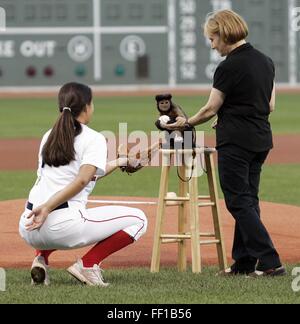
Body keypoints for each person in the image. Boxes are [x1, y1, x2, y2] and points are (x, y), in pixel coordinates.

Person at [165, 10, 286, 277]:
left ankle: (270, 260)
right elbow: (270, 105)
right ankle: (244, 263)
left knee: (238, 201)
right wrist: (234, 113)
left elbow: (210, 108)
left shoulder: (228, 66)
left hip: (236, 141)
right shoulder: (266, 61)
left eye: (212, 38)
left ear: (223, 33)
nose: (211, 44)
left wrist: (186, 123)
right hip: (261, 139)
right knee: (249, 200)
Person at [19, 82, 148, 286]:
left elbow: (85, 175)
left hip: (28, 226)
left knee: (55, 222)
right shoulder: (93, 138)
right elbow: (81, 180)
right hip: (60, 225)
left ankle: (41, 258)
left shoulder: (49, 136)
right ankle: (88, 265)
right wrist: (47, 208)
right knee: (139, 219)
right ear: (87, 107)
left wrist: (120, 161)